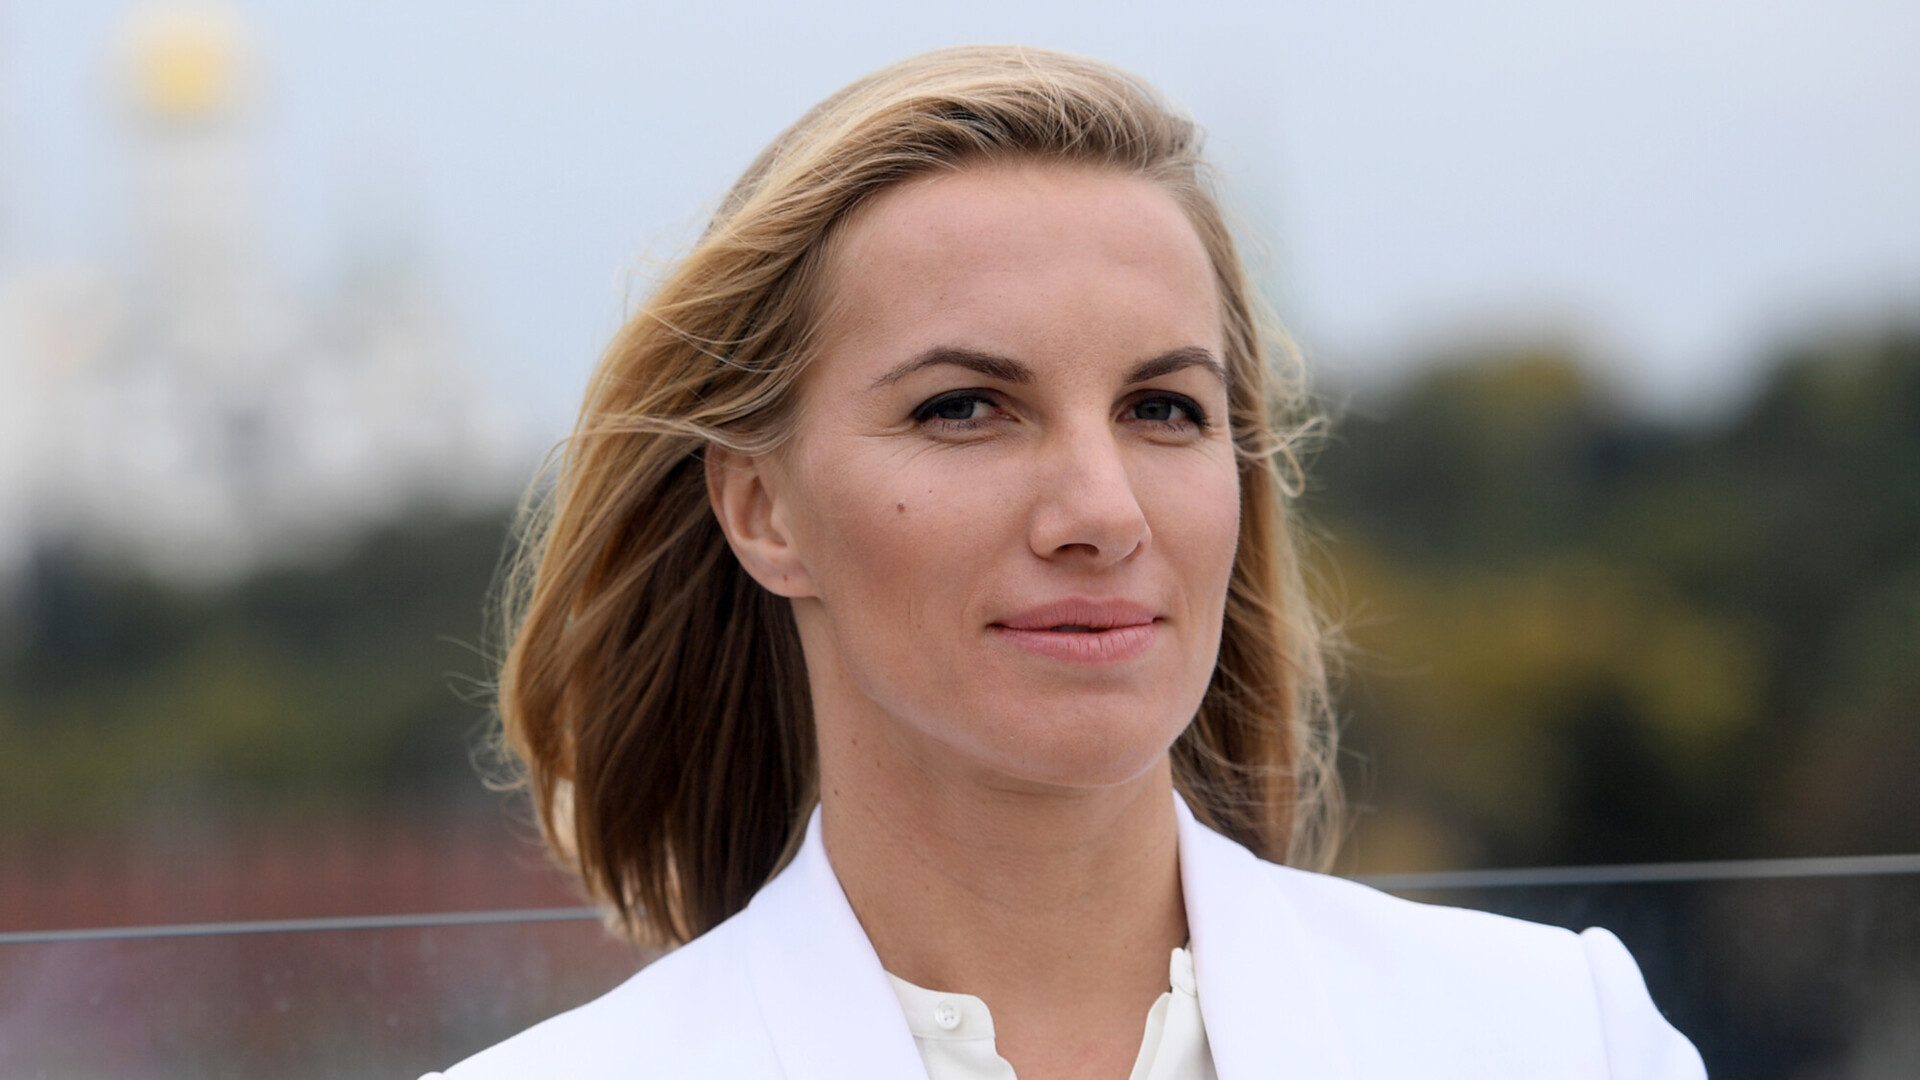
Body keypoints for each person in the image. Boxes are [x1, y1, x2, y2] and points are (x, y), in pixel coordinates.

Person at [428, 45, 1705, 1080]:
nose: (1101, 512)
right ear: (763, 511)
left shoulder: (1558, 1039)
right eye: (965, 408)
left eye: (1162, 409)